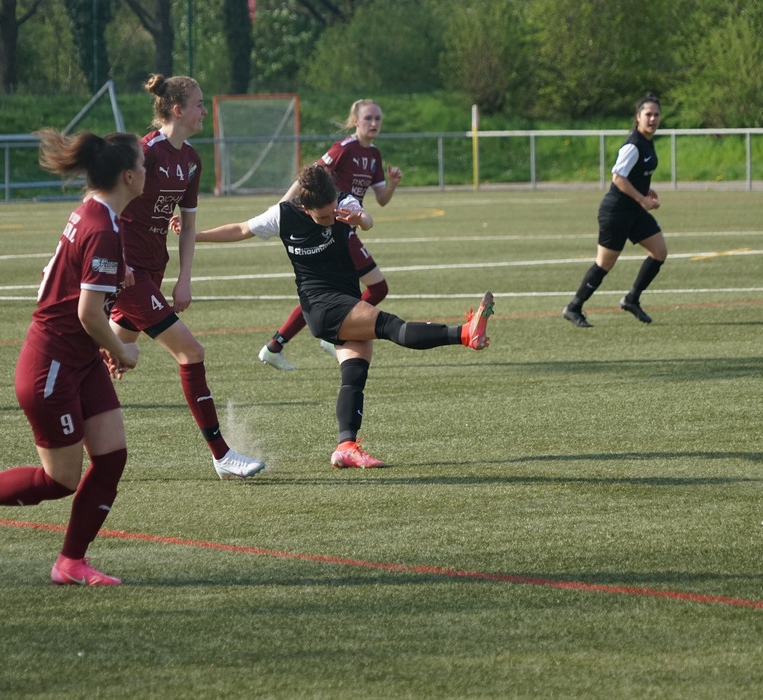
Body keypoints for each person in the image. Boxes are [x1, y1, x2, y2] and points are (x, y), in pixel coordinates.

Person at [0, 128, 144, 585]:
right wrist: (120, 349)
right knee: (60, 480)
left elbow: (62, 283)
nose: (146, 170)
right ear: (128, 176)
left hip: (78, 357)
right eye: (143, 165)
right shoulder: (101, 225)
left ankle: (70, 563)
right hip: (51, 366)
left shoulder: (96, 212)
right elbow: (87, 312)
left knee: (111, 457)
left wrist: (100, 337)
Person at [195, 163, 494, 469]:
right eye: (322, 216)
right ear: (305, 208)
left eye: (332, 213)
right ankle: (464, 334)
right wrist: (195, 236)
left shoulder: (342, 203)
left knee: (354, 376)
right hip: (321, 305)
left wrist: (359, 218)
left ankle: (346, 446)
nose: (329, 220)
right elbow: (241, 229)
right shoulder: (283, 215)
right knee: (390, 325)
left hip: (344, 298)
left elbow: (368, 220)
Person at [112, 74, 265, 480]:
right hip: (127, 274)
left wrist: (184, 279)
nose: (204, 111)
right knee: (191, 352)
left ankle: (60, 392)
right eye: (199, 104)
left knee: (111, 354)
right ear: (177, 110)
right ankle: (221, 455)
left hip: (154, 270)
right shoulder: (144, 153)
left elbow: (189, 225)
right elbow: (105, 206)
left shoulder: (192, 161)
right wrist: (117, 262)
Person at [258, 98, 403, 371]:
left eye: (377, 119)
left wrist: (393, 184)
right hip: (332, 229)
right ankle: (335, 332)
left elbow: (381, 199)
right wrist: (282, 208)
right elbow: (309, 177)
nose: (373, 123)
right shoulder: (344, 148)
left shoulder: (374, 155)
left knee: (327, 294)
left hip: (347, 227)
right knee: (376, 288)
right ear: (355, 121)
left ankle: (276, 345)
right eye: (368, 118)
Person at [562, 93, 667, 327]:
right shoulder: (633, 145)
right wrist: (642, 199)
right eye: (648, 114)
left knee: (659, 251)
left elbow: (634, 176)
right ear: (638, 117)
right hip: (616, 212)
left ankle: (631, 299)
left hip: (634, 211)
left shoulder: (647, 141)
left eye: (656, 114)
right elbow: (618, 177)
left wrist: (646, 191)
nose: (652, 119)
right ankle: (574, 307)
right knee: (604, 264)